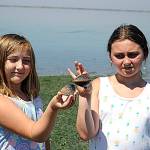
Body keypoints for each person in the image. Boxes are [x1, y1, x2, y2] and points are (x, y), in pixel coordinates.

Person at [68, 24, 150, 150]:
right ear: (110, 57)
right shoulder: (99, 86)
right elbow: (86, 134)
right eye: (119, 56)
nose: (127, 62)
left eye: (133, 54)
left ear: (145, 54)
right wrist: (84, 96)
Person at [0, 34, 76, 150]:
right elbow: (35, 134)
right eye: (13, 59)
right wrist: (53, 108)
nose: (20, 66)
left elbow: (44, 138)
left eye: (26, 61)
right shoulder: (2, 101)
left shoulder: (31, 97)